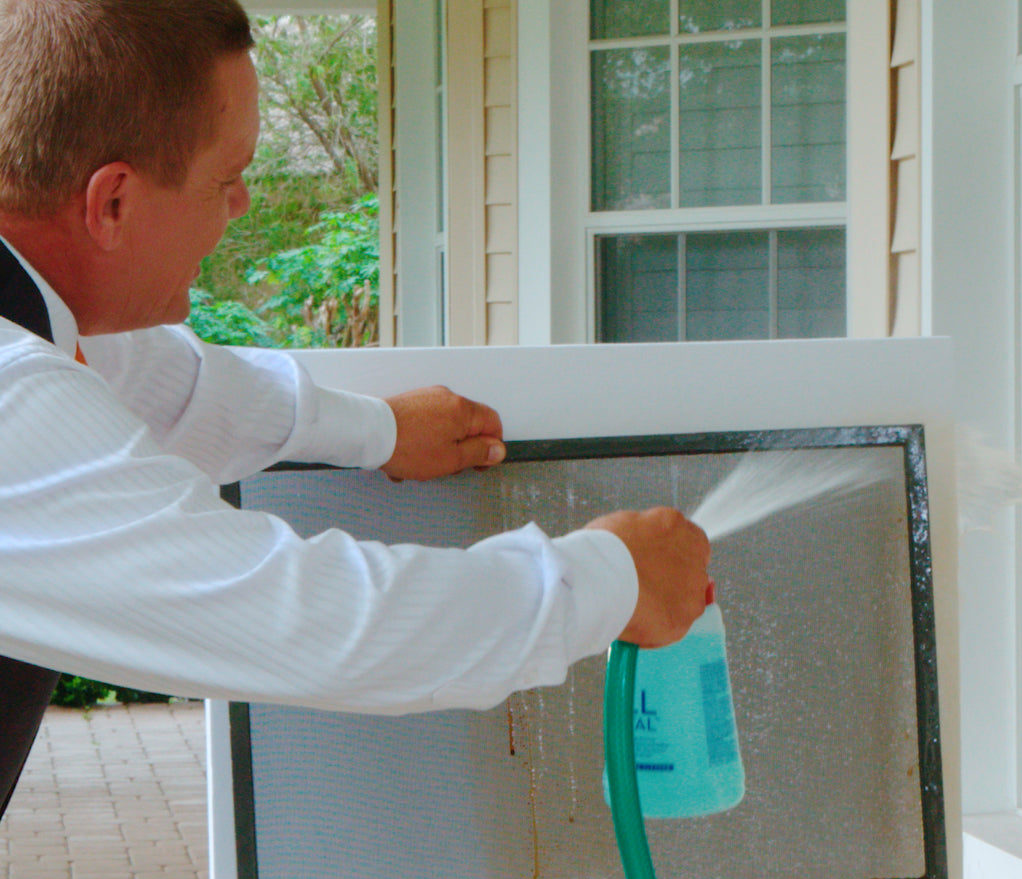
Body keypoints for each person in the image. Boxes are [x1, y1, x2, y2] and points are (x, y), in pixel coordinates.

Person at [0, 0, 712, 815]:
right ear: (113, 203)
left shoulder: (38, 323)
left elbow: (163, 382)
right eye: (227, 181)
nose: (240, 211)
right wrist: (610, 578)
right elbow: (308, 624)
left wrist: (377, 431)